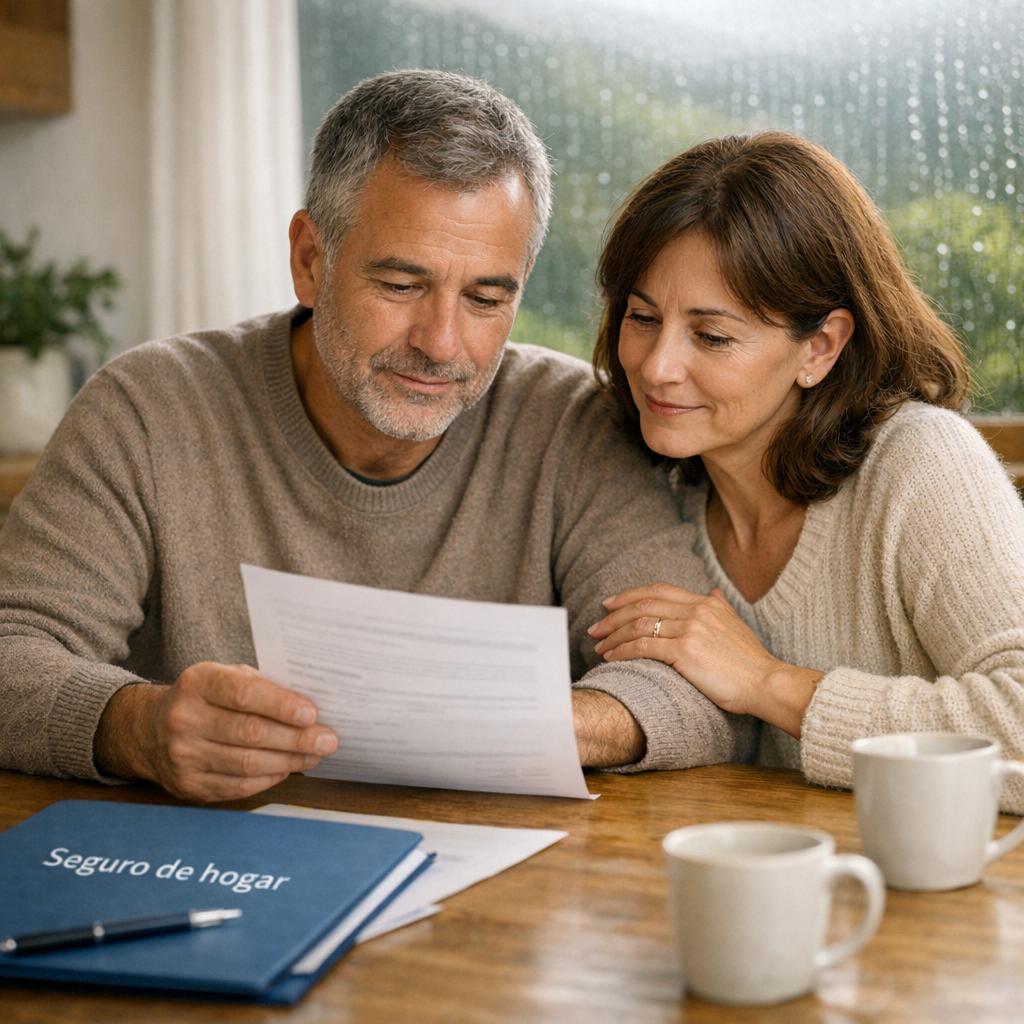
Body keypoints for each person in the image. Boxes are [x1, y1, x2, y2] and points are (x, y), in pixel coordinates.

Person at [0, 70, 753, 804]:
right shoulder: (146, 409)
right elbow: (14, 652)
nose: (442, 343)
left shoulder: (571, 424)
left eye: (488, 298)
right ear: (309, 260)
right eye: (401, 286)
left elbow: (691, 687)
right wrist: (137, 726)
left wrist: (489, 723)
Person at [587, 131, 1024, 811]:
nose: (655, 366)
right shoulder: (645, 489)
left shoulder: (923, 465)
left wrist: (769, 683)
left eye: (711, 336)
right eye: (642, 317)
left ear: (819, 347)